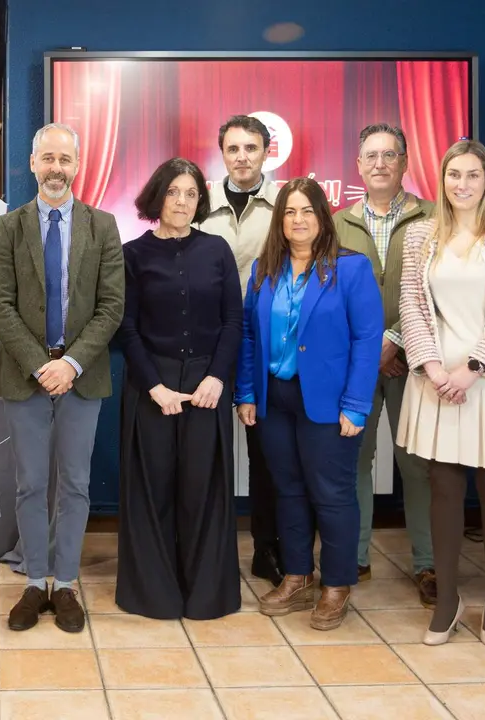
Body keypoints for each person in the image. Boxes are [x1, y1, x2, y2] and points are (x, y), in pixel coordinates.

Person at [397, 140, 485, 647]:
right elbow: (411, 305)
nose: (463, 184)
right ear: (442, 178)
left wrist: (473, 367)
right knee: (443, 490)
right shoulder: (419, 234)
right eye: (454, 174)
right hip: (436, 381)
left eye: (473, 175)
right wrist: (435, 368)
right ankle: (449, 599)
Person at [0, 123, 124, 633]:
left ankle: (64, 585)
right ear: (32, 163)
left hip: (81, 377)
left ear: (78, 165)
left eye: (65, 159)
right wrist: (39, 363)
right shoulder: (10, 227)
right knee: (28, 486)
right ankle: (32, 581)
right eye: (47, 158)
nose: (56, 168)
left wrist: (70, 363)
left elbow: (112, 307)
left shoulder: (103, 226)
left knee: (75, 485)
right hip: (25, 377)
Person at [236, 177, 383, 631]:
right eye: (289, 212)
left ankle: (336, 585)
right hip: (274, 399)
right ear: (279, 220)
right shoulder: (265, 269)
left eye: (307, 211)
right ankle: (298, 574)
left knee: (333, 495)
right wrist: (246, 393)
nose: (298, 220)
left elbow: (367, 339)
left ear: (323, 217)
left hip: (328, 402)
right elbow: (247, 335)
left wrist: (356, 405)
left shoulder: (350, 269)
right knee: (288, 489)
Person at [115, 158, 243, 620]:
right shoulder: (132, 255)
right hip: (151, 386)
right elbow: (125, 329)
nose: (182, 202)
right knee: (154, 490)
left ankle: (206, 593)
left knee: (202, 489)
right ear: (157, 197)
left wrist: (217, 377)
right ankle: (155, 595)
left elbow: (234, 321)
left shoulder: (217, 250)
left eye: (191, 194)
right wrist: (155, 386)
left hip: (208, 384)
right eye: (173, 192)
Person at [333, 123, 437, 606]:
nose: (379, 163)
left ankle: (428, 564)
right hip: (356, 363)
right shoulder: (335, 223)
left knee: (417, 465)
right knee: (354, 461)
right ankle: (354, 557)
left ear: (404, 162)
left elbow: (435, 292)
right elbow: (327, 298)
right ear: (357, 166)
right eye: (370, 155)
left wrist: (395, 343)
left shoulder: (434, 217)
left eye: (389, 155)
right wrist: (369, 351)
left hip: (415, 361)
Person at [197, 115, 284, 586]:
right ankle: (207, 545)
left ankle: (266, 547)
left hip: (267, 342)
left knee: (266, 453)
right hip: (206, 342)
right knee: (207, 449)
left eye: (251, 148)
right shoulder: (198, 204)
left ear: (266, 151)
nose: (242, 157)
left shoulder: (284, 205)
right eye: (233, 148)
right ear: (222, 153)